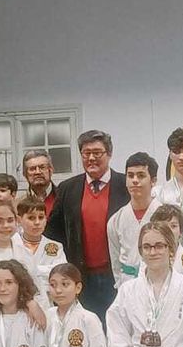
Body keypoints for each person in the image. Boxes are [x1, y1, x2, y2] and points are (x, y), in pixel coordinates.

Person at [45, 130, 130, 317]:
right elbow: (52, 233)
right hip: (80, 277)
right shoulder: (68, 188)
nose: (91, 158)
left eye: (97, 153)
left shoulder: (126, 185)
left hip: (117, 275)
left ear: (109, 154)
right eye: (86, 153)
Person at [107, 152, 160, 287]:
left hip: (160, 279)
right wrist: (121, 285)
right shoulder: (116, 220)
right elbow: (115, 262)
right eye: (130, 176)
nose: (135, 180)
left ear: (153, 181)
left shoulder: (164, 215)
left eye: (141, 175)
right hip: (128, 282)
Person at [14, 194, 68, 281]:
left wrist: (28, 270)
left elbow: (61, 273)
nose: (37, 222)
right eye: (31, 218)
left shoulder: (56, 246)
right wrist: (46, 270)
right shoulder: (12, 244)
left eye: (41, 217)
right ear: (19, 220)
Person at [22, 150, 57, 217]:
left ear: (51, 170)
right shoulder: (18, 204)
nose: (37, 172)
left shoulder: (64, 198)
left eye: (42, 167)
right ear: (25, 174)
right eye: (32, 169)